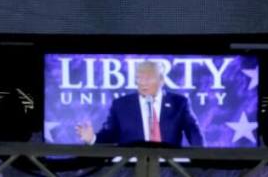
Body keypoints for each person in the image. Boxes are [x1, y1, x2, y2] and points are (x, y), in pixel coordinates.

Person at [75, 59, 203, 146]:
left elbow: (194, 133)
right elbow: (110, 135)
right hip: (130, 169)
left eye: (148, 79)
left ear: (161, 80)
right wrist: (92, 139)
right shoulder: (121, 105)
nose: (143, 83)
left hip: (170, 169)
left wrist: (202, 161)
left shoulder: (179, 103)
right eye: (139, 79)